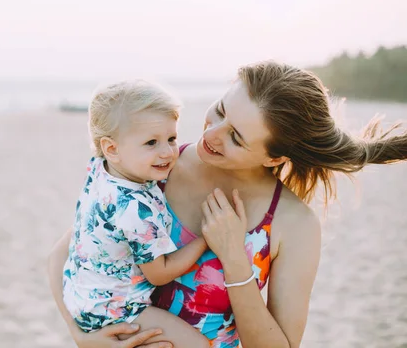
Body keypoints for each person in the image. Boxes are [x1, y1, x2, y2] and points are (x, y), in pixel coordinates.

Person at [48, 61, 407, 348]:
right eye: (220, 111)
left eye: (235, 137)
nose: (210, 134)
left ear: (273, 157)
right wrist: (83, 337)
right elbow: (67, 254)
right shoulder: (156, 165)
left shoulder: (292, 223)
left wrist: (236, 260)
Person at [62, 80, 214, 346]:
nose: (167, 152)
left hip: (80, 294)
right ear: (112, 148)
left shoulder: (100, 169)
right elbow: (160, 273)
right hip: (113, 310)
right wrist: (205, 239)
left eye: (171, 138)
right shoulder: (135, 208)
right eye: (151, 143)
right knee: (198, 345)